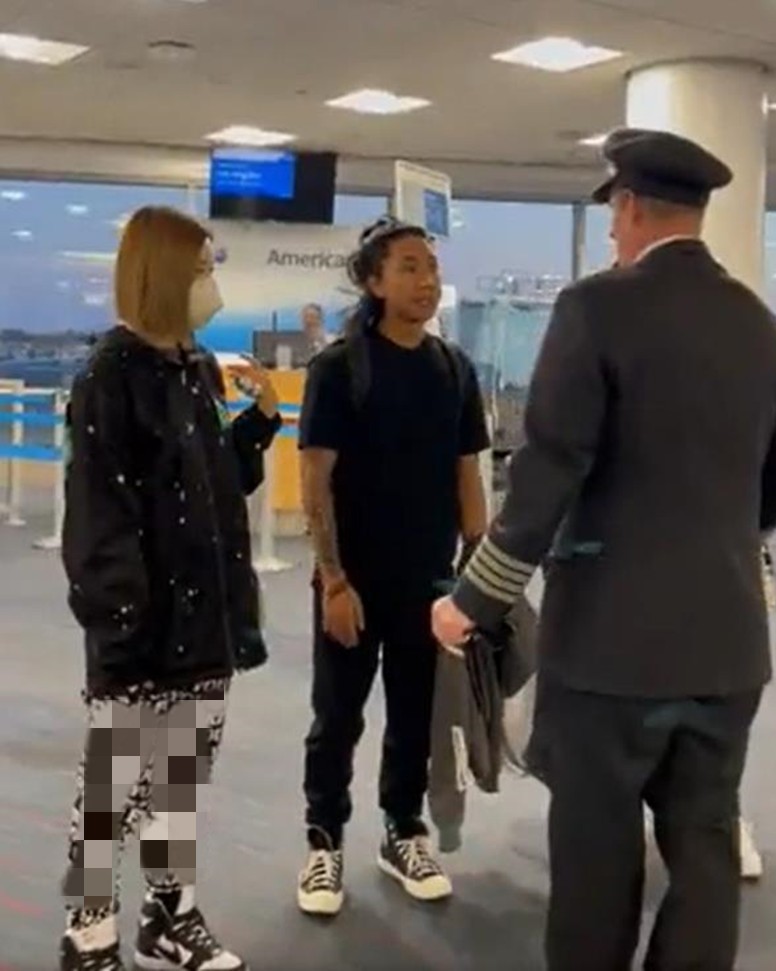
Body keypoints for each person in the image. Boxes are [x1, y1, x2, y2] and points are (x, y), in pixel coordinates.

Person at [433, 128, 776, 970]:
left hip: (609, 652)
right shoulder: (762, 327)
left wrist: (472, 601)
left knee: (595, 859)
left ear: (630, 206)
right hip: (727, 643)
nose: (609, 230)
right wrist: (722, 539)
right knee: (705, 850)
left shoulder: (594, 309)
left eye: (613, 213)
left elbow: (547, 472)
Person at [59, 207, 281, 971]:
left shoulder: (194, 368)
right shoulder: (109, 379)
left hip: (205, 622)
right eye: (201, 271)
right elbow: (98, 518)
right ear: (161, 275)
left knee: (178, 783)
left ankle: (169, 913)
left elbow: (216, 487)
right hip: (139, 630)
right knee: (111, 789)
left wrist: (258, 424)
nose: (212, 286)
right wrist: (122, 629)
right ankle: (87, 933)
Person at [296, 216, 490, 916]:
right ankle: (323, 840)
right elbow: (315, 480)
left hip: (429, 581)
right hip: (354, 580)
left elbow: (467, 472)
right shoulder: (339, 368)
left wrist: (477, 572)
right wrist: (333, 580)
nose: (426, 281)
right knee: (337, 716)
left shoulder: (453, 369)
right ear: (374, 281)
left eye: (431, 267)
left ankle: (402, 830)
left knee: (415, 714)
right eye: (409, 267)